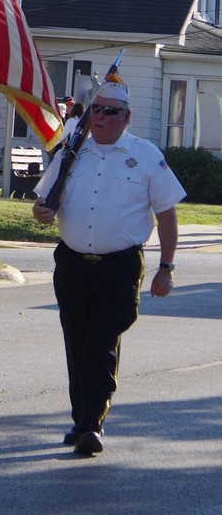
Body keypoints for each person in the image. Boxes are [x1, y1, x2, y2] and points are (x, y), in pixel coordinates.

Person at [32, 76, 185, 457]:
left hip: (118, 267)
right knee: (76, 341)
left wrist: (166, 267)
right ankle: (81, 417)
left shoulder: (146, 155)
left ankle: (91, 424)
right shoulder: (72, 150)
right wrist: (42, 212)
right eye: (96, 108)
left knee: (100, 342)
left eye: (109, 111)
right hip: (71, 265)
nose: (99, 116)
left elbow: (167, 216)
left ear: (125, 117)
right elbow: (41, 204)